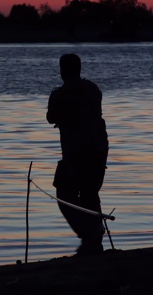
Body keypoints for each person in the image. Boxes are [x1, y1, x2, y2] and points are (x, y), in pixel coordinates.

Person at [46, 53, 109, 256]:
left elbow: (50, 117)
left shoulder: (60, 94)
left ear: (63, 71)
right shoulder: (93, 89)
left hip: (78, 154)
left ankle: (90, 236)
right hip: (97, 151)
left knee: (65, 195)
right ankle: (93, 239)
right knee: (89, 195)